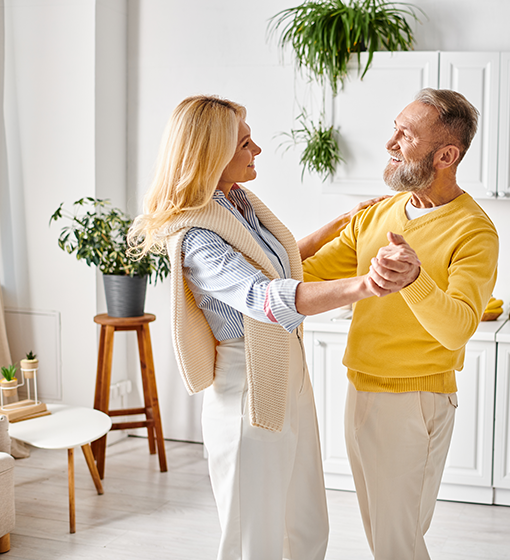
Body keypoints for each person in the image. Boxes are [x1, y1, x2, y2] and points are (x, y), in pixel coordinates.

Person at [128, 95, 420, 560]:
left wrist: (341, 223)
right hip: (246, 385)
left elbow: (274, 263)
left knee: (306, 525)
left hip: (287, 375)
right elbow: (265, 297)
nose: (257, 150)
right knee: (255, 538)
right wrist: (367, 284)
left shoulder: (236, 201)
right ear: (211, 156)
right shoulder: (197, 236)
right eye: (245, 143)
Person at [302, 88, 499, 560]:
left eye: (405, 134)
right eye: (395, 126)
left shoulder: (474, 230)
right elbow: (301, 277)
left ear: (446, 155)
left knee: (399, 542)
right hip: (361, 389)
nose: (390, 142)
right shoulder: (380, 213)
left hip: (415, 401)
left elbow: (456, 328)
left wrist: (413, 279)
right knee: (384, 535)